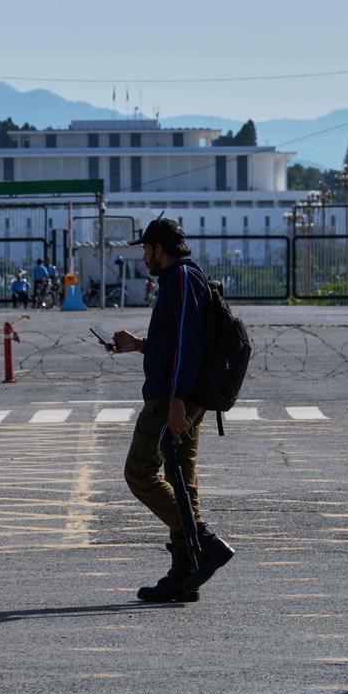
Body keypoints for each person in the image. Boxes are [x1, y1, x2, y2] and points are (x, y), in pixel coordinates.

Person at [111, 218, 235, 602]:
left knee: (140, 472)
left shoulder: (180, 279)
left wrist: (177, 401)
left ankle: (202, 541)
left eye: (146, 250)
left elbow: (187, 343)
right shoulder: (182, 279)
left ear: (158, 249)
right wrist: (139, 345)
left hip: (172, 398)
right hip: (182, 394)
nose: (144, 257)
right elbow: (173, 341)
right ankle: (187, 571)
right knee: (182, 478)